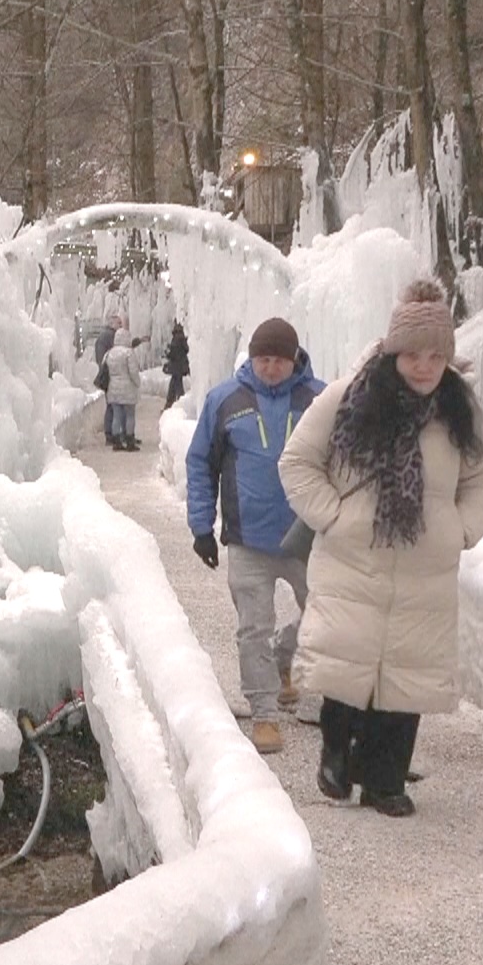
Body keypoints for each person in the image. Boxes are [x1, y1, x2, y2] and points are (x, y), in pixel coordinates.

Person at [278, 279, 483, 817]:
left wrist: (460, 530)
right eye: (412, 355)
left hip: (424, 569)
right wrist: (335, 516)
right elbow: (297, 462)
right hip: (355, 558)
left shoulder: (461, 409)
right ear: (392, 351)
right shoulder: (348, 397)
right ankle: (335, 752)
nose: (424, 367)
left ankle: (385, 781)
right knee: (346, 669)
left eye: (435, 355)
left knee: (407, 680)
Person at [185, 317, 324, 753]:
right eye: (263, 359)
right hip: (248, 539)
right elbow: (200, 462)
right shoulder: (225, 399)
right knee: (252, 629)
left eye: (279, 360)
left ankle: (286, 658)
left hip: (308, 537)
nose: (270, 368)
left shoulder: (319, 399)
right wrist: (201, 527)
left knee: (326, 615)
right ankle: (265, 712)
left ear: (294, 359)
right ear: (252, 358)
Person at [103, 335, 145, 451]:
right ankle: (130, 441)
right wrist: (137, 383)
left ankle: (116, 441)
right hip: (128, 389)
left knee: (117, 415)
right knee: (130, 415)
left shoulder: (109, 353)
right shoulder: (128, 353)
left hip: (113, 388)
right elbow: (133, 371)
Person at [95, 317, 125, 447]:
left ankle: (112, 434)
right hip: (111, 377)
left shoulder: (103, 336)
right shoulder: (110, 336)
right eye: (119, 323)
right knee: (114, 407)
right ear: (112, 324)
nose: (121, 326)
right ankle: (113, 434)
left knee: (112, 406)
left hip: (107, 376)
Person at [163, 324, 190, 407]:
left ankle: (175, 403)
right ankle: (173, 403)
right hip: (181, 366)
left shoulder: (176, 338)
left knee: (176, 385)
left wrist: (167, 353)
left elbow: (173, 352)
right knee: (176, 384)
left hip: (176, 367)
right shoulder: (183, 338)